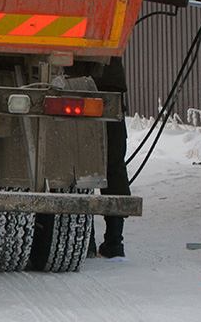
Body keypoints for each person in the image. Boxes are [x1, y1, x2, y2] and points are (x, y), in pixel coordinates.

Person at [95, 56, 129, 258]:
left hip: (68, 77)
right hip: (109, 80)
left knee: (76, 164)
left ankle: (85, 239)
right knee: (114, 164)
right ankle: (114, 239)